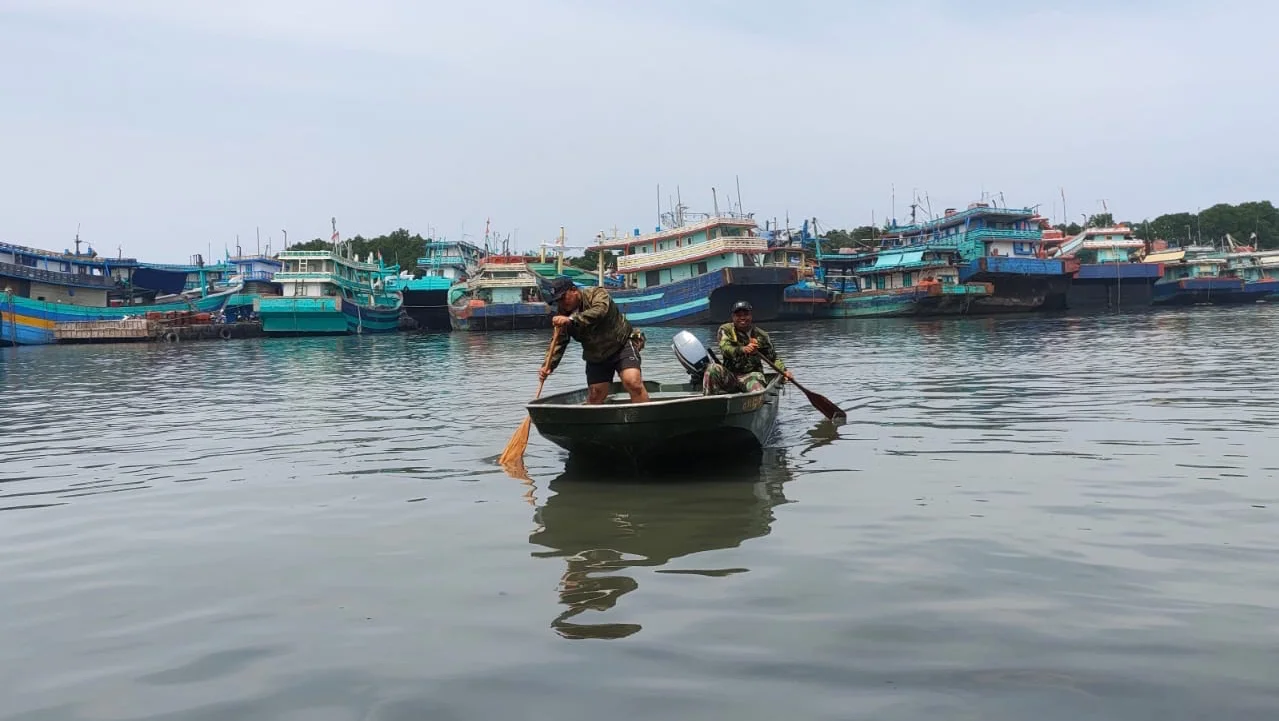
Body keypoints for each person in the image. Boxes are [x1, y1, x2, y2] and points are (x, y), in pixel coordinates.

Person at [540, 276, 650, 404]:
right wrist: (548, 366)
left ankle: (646, 415)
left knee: (632, 382)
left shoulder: (596, 294)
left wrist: (572, 320)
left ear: (574, 290)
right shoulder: (562, 314)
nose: (562, 303)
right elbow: (559, 341)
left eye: (563, 297)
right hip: (595, 354)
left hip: (621, 344)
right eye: (558, 301)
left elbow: (600, 311)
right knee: (595, 395)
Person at [703, 300, 794, 395]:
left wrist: (784, 372)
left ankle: (757, 400)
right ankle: (709, 400)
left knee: (757, 385)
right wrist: (743, 349)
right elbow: (725, 348)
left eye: (746, 315)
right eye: (738, 315)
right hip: (730, 377)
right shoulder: (726, 330)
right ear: (733, 317)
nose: (742, 318)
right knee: (712, 368)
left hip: (752, 375)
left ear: (751, 316)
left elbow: (773, 358)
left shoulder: (761, 335)